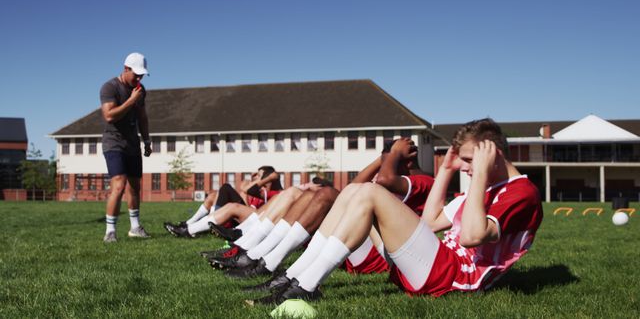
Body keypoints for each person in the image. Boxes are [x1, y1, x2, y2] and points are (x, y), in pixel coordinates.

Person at [254, 118, 543, 304]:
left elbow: (471, 236)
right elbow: (430, 222)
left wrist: (478, 175)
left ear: (494, 155)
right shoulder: (483, 188)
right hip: (437, 266)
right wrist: (446, 168)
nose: (465, 167)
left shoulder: (522, 192)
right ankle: (294, 276)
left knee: (370, 192)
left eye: (469, 160)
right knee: (355, 191)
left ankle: (305, 285)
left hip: (456, 277)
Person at [217, 138, 434, 280]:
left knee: (327, 195)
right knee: (312, 195)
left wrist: (393, 154)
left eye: (388, 161)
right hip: (361, 244)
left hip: (377, 256)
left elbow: (385, 180)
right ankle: (257, 255)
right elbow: (354, 186)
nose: (383, 167)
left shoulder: (423, 181)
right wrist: (382, 158)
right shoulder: (394, 177)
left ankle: (265, 260)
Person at [100, 52, 152, 243]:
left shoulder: (140, 89)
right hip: (113, 142)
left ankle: (135, 228)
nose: (139, 78)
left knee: (135, 187)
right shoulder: (110, 87)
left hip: (132, 143)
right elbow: (109, 116)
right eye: (136, 74)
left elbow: (142, 117)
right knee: (119, 184)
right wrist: (131, 100)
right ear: (125, 69)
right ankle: (110, 231)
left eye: (142, 75)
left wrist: (146, 141)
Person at [164, 166, 282, 238]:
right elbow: (243, 187)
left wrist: (267, 178)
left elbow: (247, 189)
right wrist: (255, 179)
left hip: (255, 222)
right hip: (247, 219)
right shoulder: (258, 191)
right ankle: (188, 224)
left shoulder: (272, 193)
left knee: (229, 195)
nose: (256, 177)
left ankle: (191, 229)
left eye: (259, 175)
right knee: (214, 195)